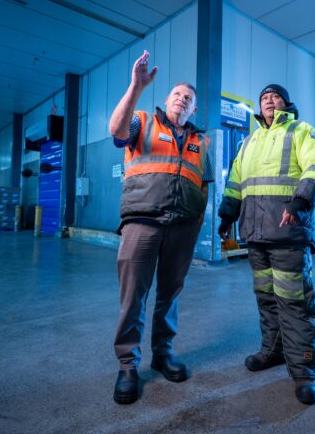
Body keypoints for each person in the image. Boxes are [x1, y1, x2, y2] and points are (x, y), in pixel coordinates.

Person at [109, 50, 211, 405]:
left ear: (194, 109)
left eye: (188, 98)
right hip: (142, 222)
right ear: (166, 100)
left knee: (170, 294)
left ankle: (163, 353)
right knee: (133, 296)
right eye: (177, 94)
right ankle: (127, 365)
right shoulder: (142, 121)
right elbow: (116, 131)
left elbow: (204, 187)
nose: (182, 100)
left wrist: (195, 226)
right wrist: (136, 87)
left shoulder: (201, 142)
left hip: (182, 228)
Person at [217, 84, 315, 405]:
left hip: (288, 233)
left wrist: (300, 202)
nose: (269, 100)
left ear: (286, 103)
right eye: (264, 97)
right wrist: (227, 215)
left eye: (275, 96)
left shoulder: (301, 131)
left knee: (294, 302)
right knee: (266, 299)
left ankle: (305, 370)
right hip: (256, 236)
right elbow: (236, 181)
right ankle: (273, 350)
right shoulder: (249, 141)